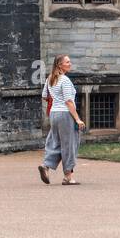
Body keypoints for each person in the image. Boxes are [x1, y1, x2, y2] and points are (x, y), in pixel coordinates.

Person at [38, 54, 83, 186]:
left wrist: (56, 100)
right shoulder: (65, 80)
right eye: (67, 62)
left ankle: (46, 166)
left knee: (55, 142)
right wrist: (78, 119)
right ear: (59, 65)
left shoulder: (50, 78)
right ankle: (68, 177)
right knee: (69, 145)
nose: (70, 64)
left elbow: (45, 96)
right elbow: (69, 101)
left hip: (54, 114)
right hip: (65, 115)